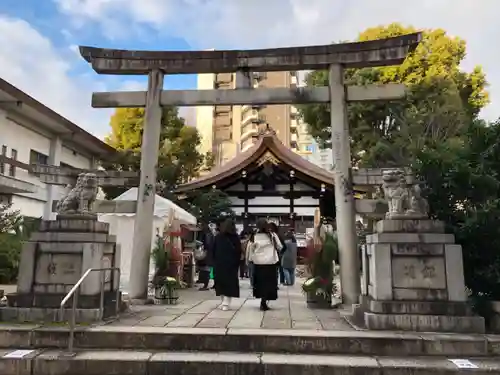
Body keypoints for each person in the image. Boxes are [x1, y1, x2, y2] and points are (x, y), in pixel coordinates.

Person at [247, 218, 282, 311]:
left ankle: (262, 299)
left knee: (260, 283)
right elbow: (280, 246)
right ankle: (264, 300)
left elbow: (250, 249)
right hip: (270, 263)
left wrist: (250, 259)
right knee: (269, 283)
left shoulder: (254, 236)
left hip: (258, 263)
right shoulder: (272, 235)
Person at [212, 218, 242, 311]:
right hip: (231, 264)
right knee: (230, 283)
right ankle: (226, 303)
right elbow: (238, 251)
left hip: (219, 263)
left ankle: (223, 302)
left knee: (220, 282)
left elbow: (213, 250)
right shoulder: (235, 237)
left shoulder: (218, 237)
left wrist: (214, 261)